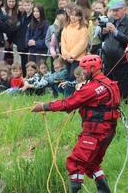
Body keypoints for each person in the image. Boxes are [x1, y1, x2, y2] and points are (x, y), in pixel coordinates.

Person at [31, 54, 120, 193]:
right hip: (108, 133)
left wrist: (45, 106)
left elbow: (69, 103)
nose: (82, 72)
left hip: (94, 132)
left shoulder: (91, 88)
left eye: (84, 69)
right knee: (92, 165)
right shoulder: (109, 83)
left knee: (75, 163)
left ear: (92, 68)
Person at [102, 0, 128, 99]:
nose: (114, 13)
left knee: (122, 88)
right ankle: (108, 105)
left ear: (124, 10)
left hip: (122, 61)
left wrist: (115, 32)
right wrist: (102, 33)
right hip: (108, 60)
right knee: (107, 86)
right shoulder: (110, 20)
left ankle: (123, 107)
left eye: (117, 10)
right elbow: (103, 39)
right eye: (113, 11)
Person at [61, 6, 88, 95]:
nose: (73, 17)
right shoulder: (66, 27)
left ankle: (77, 95)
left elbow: (82, 44)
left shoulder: (83, 28)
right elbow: (63, 42)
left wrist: (72, 55)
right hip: (67, 57)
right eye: (72, 15)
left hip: (78, 58)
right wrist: (66, 55)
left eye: (76, 15)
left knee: (75, 76)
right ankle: (71, 97)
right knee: (69, 76)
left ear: (80, 17)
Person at [14, 0, 33, 77]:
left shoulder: (33, 17)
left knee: (30, 65)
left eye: (29, 5)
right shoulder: (23, 17)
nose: (27, 7)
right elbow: (20, 31)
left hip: (29, 46)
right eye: (25, 5)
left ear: (32, 5)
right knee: (24, 65)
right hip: (22, 46)